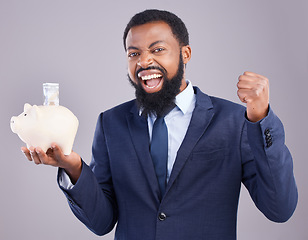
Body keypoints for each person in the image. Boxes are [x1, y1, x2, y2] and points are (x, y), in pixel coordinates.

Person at [21, 9, 297, 240]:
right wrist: (74, 167)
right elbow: (102, 222)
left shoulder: (234, 121)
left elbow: (279, 209)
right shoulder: (112, 123)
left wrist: (261, 119)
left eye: (158, 49)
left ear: (185, 53)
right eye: (133, 53)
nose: (144, 61)